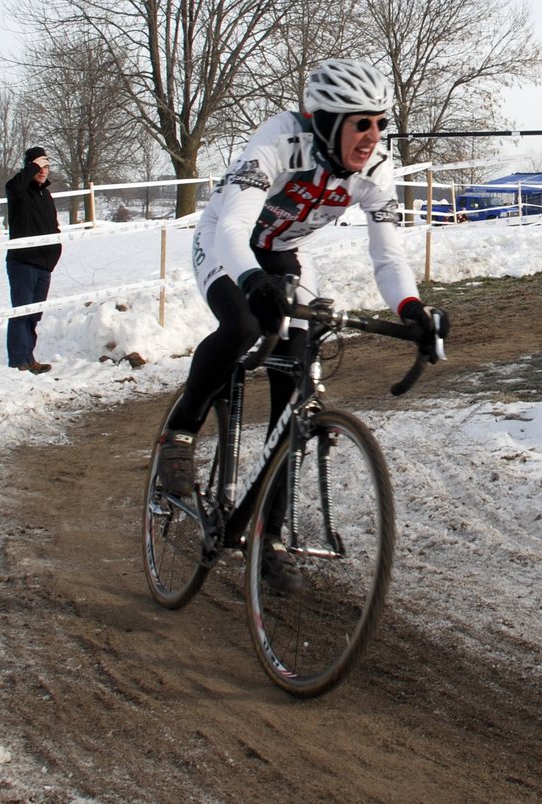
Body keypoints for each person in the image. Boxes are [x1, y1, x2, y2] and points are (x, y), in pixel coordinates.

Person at [156, 58, 450, 591]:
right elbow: (236, 224)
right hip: (227, 243)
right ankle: (179, 436)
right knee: (244, 327)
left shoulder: (375, 170)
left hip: (288, 253)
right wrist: (249, 281)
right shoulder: (278, 140)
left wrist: (411, 309)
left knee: (296, 375)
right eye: (362, 123)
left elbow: (388, 256)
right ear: (325, 121)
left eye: (381, 122)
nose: (374, 135)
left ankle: (267, 534)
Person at [4, 147, 62, 374]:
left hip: (43, 265)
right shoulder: (19, 192)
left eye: (46, 167)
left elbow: (53, 226)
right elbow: (14, 186)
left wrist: (55, 251)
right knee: (22, 311)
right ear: (29, 167)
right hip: (23, 262)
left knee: (35, 314)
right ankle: (19, 358)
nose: (42, 171)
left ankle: (29, 356)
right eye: (38, 167)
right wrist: (32, 166)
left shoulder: (45, 195)